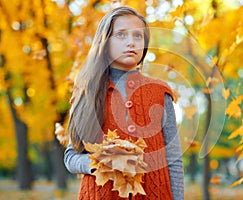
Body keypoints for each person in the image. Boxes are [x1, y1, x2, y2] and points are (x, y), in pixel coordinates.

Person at [64, 6, 184, 200]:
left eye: (138, 36)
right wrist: (99, 162)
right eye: (121, 35)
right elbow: (70, 157)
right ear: (105, 42)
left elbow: (174, 160)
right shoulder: (86, 93)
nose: (131, 42)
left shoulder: (160, 92)